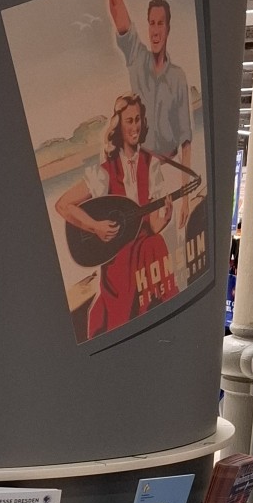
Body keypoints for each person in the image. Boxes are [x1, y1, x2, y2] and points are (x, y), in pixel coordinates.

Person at [55, 95, 174, 335]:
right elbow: (63, 205)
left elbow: (151, 225)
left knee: (155, 243)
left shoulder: (151, 165)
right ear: (119, 126)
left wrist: (165, 219)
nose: (135, 126)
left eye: (138, 119)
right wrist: (95, 226)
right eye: (129, 121)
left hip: (145, 251)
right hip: (118, 256)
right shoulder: (104, 172)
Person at [107, 0, 193, 249]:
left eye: (160, 23)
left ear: (168, 28)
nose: (155, 30)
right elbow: (116, 3)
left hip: (169, 174)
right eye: (151, 23)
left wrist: (186, 199)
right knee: (137, 249)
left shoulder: (178, 77)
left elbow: (186, 141)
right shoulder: (136, 56)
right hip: (140, 176)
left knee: (169, 250)